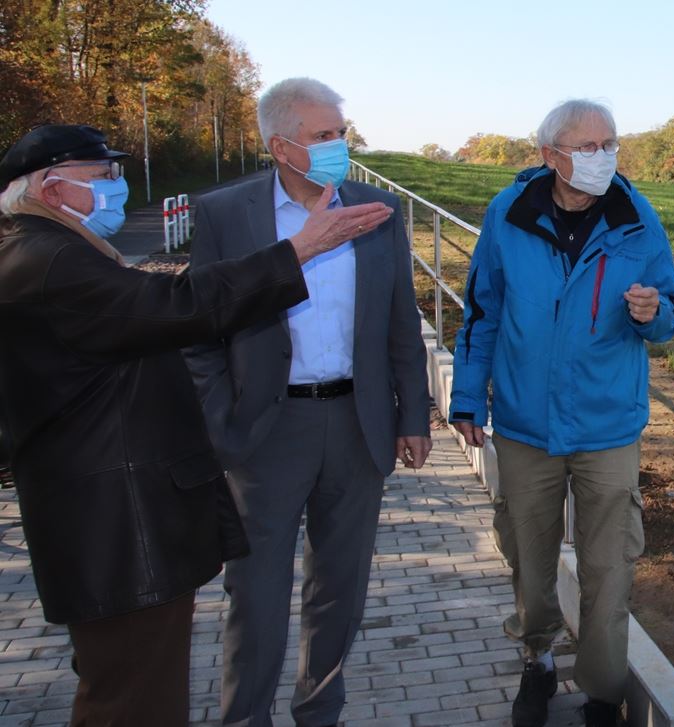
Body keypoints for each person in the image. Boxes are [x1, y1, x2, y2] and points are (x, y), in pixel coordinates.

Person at [0, 123, 390, 726]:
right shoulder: (49, 260)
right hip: (115, 524)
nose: (116, 187)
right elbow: (176, 307)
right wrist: (297, 252)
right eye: (102, 176)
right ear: (53, 191)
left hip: (104, 516)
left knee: (129, 682)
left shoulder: (42, 250)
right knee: (134, 696)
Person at [182, 77, 433, 727]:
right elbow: (198, 329)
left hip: (356, 423)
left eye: (341, 133)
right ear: (280, 145)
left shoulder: (375, 211)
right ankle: (246, 718)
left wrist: (413, 414)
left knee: (340, 588)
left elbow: (400, 321)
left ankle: (320, 710)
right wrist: (220, 418)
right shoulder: (227, 215)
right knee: (256, 592)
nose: (338, 146)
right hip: (266, 430)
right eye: (323, 136)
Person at [449, 99, 674, 727]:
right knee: (529, 552)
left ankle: (603, 692)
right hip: (527, 424)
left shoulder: (637, 219)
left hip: (607, 425)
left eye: (610, 143)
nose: (603, 156)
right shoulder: (509, 214)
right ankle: (538, 659)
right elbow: (481, 312)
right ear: (551, 155)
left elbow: (671, 308)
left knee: (610, 566)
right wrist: (468, 396)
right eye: (588, 147)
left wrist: (651, 313)